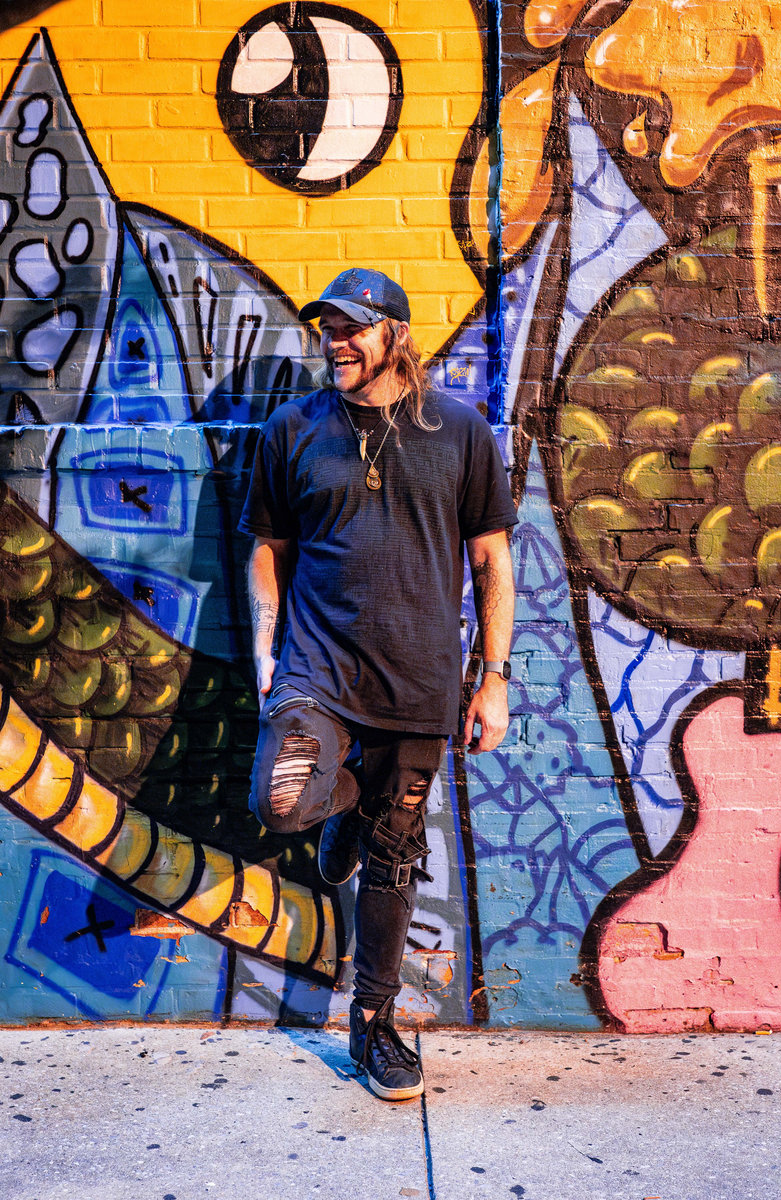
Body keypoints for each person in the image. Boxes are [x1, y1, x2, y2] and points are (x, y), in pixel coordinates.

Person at [238, 267, 517, 1101]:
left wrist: (493, 678)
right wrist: (265, 653)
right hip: (317, 672)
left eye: (352, 327)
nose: (336, 341)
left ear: (395, 333)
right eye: (328, 328)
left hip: (421, 684)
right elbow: (266, 548)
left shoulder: (459, 431)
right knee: (281, 801)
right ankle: (345, 808)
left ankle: (374, 1024)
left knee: (392, 860)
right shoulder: (293, 430)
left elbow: (492, 560)